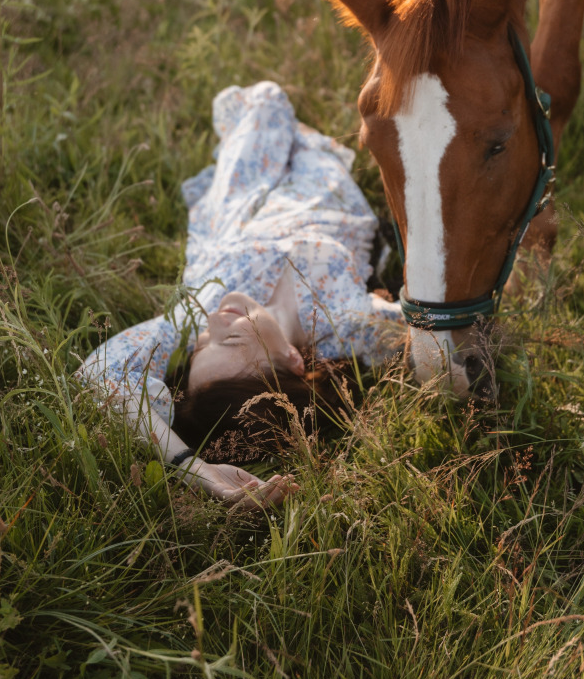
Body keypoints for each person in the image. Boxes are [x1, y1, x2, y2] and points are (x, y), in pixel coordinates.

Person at [79, 81, 405, 508]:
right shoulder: (341, 321)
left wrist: (184, 463)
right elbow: (433, 328)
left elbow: (97, 375)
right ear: (290, 359)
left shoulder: (200, 305)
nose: (214, 321)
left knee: (266, 99)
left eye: (200, 344)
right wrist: (193, 467)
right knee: (270, 102)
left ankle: (293, 135)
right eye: (229, 338)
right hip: (312, 182)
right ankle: (301, 139)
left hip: (242, 200)